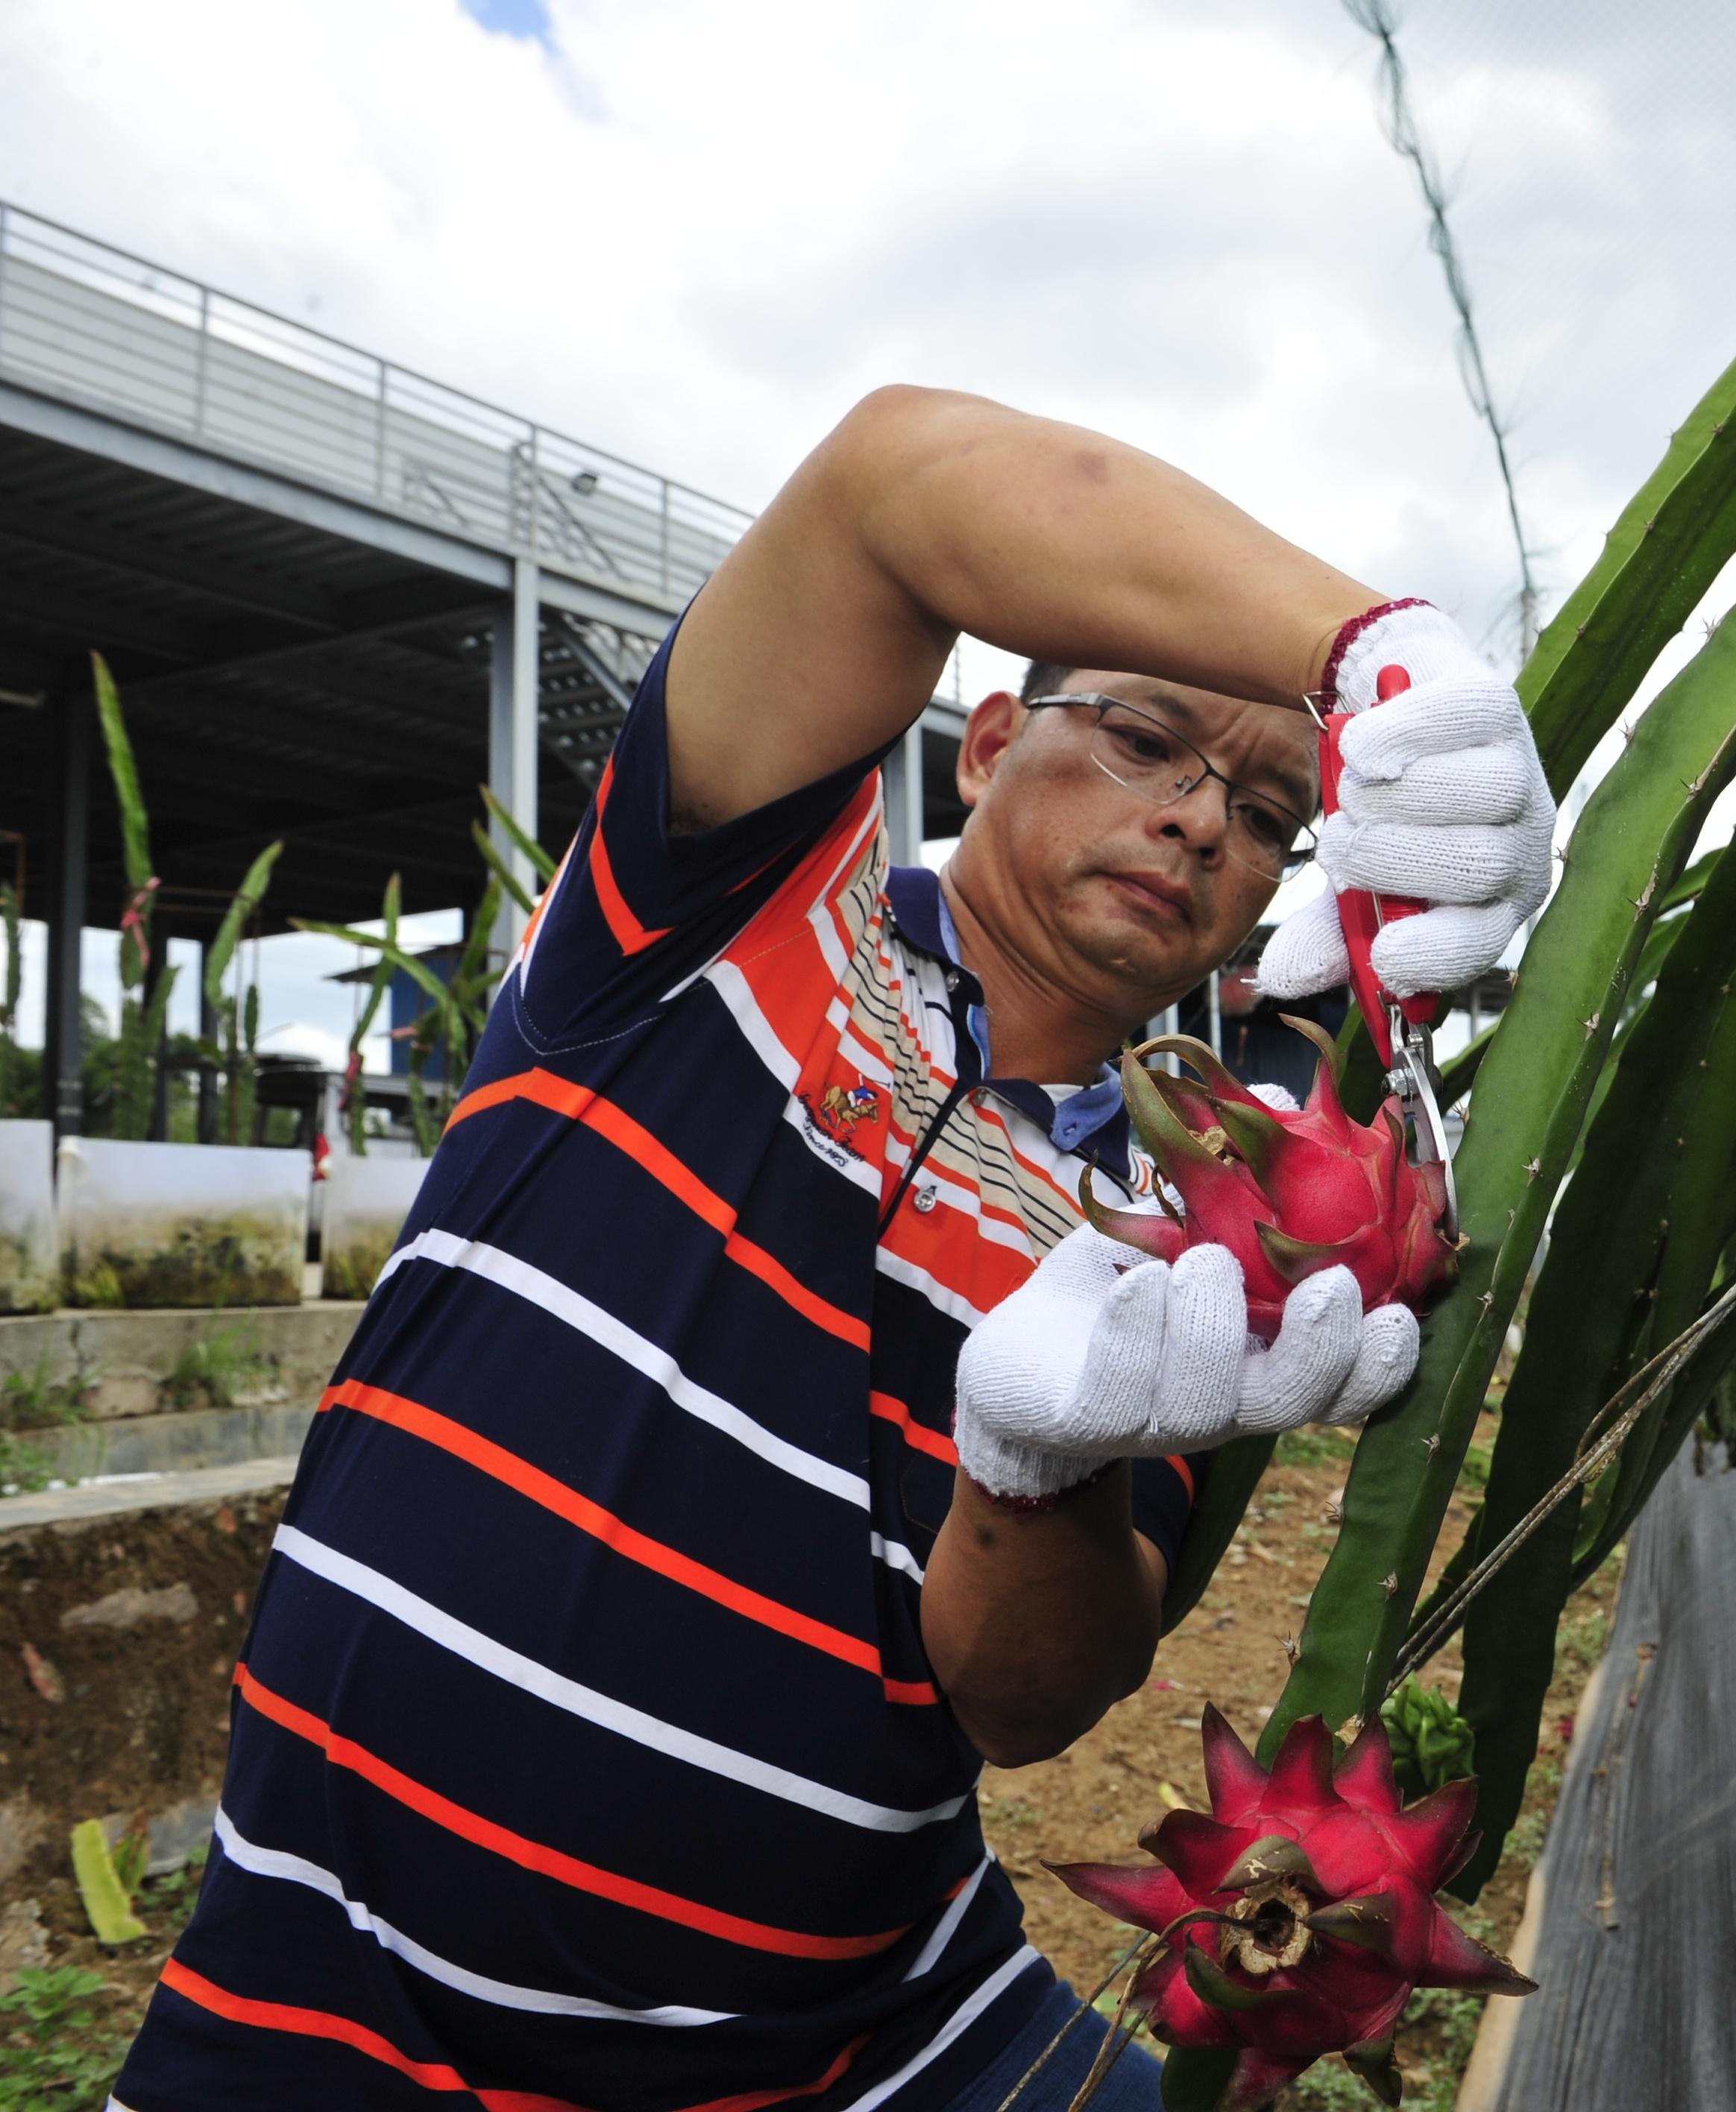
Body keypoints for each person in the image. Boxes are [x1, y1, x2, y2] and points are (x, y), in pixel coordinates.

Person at [110, 386, 1556, 2111]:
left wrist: (1037, 1467)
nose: (1198, 820)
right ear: (991, 740)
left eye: (1261, 812)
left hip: (859, 2050)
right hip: (313, 2021)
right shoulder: (721, 906)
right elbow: (891, 483)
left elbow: (1023, 1701)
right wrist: (1365, 649)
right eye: (1149, 740)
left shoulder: (1184, 1257)